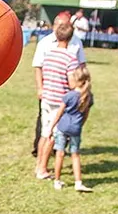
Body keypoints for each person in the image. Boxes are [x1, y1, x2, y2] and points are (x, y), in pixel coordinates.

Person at [31, 13, 86, 157]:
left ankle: (57, 150)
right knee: (48, 129)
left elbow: (82, 65)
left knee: (56, 128)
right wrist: (40, 88)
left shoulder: (76, 43)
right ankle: (41, 158)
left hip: (62, 94)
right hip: (53, 94)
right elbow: (38, 67)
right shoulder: (46, 43)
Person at [35, 21, 80, 179]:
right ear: (71, 37)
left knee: (44, 133)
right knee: (53, 135)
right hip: (59, 102)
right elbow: (72, 83)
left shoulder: (49, 55)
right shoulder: (71, 58)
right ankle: (42, 169)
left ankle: (38, 165)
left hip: (46, 98)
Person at [50, 65, 94, 192]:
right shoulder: (88, 97)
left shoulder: (69, 95)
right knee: (75, 155)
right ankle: (78, 182)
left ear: (78, 81)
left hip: (63, 127)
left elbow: (60, 112)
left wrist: (52, 126)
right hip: (76, 129)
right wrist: (80, 125)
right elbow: (86, 115)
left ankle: (57, 180)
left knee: (60, 153)